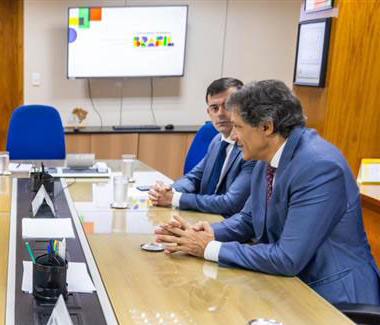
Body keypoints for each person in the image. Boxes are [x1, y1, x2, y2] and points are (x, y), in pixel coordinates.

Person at [154, 80, 380, 305]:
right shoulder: (267, 155)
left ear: (266, 127)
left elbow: (287, 258)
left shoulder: (319, 166)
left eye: (238, 127)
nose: (233, 137)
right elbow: (249, 219)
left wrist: (209, 247)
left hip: (335, 300)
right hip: (290, 287)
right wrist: (203, 233)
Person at [149, 77, 255, 216]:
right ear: (208, 113)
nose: (220, 113)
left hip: (228, 223)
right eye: (214, 108)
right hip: (204, 216)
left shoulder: (252, 149)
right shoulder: (217, 141)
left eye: (227, 106)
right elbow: (194, 178)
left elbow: (231, 203)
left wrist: (174, 198)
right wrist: (167, 190)